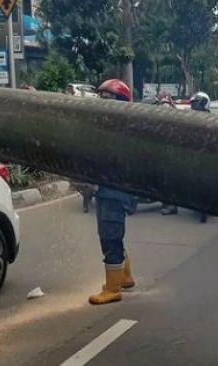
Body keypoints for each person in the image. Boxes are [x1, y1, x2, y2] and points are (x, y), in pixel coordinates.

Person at [89, 79, 136, 305]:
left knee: (110, 238)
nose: (102, 102)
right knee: (114, 236)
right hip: (109, 191)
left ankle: (113, 288)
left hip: (113, 193)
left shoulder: (118, 132)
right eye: (101, 98)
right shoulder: (113, 128)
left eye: (107, 99)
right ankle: (125, 277)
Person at [189, 92, 211, 223]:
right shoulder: (191, 118)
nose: (194, 105)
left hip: (209, 155)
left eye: (196, 103)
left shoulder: (210, 118)